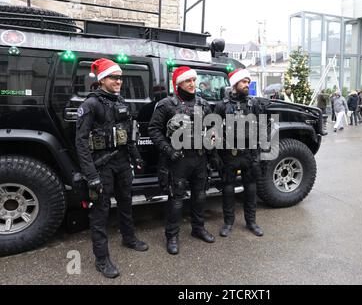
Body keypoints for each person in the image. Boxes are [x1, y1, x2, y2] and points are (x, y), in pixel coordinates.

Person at [76, 58, 148, 279]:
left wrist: (136, 158)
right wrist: (91, 176)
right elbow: (80, 142)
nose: (119, 81)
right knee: (100, 212)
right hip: (102, 165)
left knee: (126, 203)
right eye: (114, 77)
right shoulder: (90, 104)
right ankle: (101, 259)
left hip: (122, 163)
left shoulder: (120, 101)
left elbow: (128, 135)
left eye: (120, 77)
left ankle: (129, 238)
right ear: (102, 79)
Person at [148, 66, 216, 255]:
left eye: (194, 80)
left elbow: (212, 127)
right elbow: (153, 130)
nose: (192, 84)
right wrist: (169, 150)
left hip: (200, 158)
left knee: (200, 196)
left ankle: (198, 228)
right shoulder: (166, 105)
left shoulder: (203, 103)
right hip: (177, 160)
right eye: (188, 81)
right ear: (179, 83)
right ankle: (172, 236)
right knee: (176, 200)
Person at [214, 68, 264, 238]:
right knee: (228, 189)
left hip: (249, 154)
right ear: (235, 84)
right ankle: (228, 223)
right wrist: (216, 156)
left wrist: (259, 153)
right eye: (244, 81)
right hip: (229, 155)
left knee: (250, 189)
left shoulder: (255, 104)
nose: (247, 84)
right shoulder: (222, 106)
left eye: (248, 82)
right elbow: (213, 131)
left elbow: (263, 128)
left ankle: (251, 222)